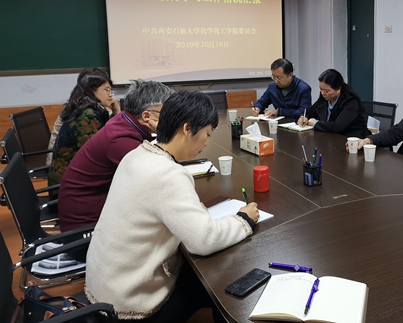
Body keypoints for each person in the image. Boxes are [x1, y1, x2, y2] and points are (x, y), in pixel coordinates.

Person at [85, 91, 259, 322]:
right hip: (129, 304)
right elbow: (204, 241)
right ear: (187, 129)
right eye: (207, 134)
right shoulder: (168, 174)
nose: (207, 143)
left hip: (105, 288)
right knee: (220, 275)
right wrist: (243, 220)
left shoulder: (137, 154)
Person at [58, 79, 174, 234]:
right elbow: (159, 177)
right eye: (167, 114)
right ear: (146, 116)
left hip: (97, 212)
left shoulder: (123, 120)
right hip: (86, 227)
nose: (171, 119)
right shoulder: (120, 140)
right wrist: (168, 135)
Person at [48, 72, 120, 187]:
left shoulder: (92, 109)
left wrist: (116, 112)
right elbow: (98, 153)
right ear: (92, 91)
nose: (110, 95)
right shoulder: (87, 115)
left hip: (75, 175)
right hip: (69, 183)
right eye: (107, 90)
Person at [46, 67, 109, 165]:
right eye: (106, 89)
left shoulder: (78, 103)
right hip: (64, 166)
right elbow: (96, 151)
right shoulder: (86, 113)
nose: (110, 94)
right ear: (92, 89)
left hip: (60, 161)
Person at [297, 69, 370, 138]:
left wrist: (316, 123)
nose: (323, 93)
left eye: (326, 91)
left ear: (338, 89)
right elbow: (310, 111)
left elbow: (338, 126)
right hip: (329, 138)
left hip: (350, 139)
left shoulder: (351, 101)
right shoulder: (324, 98)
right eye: (321, 89)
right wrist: (304, 117)